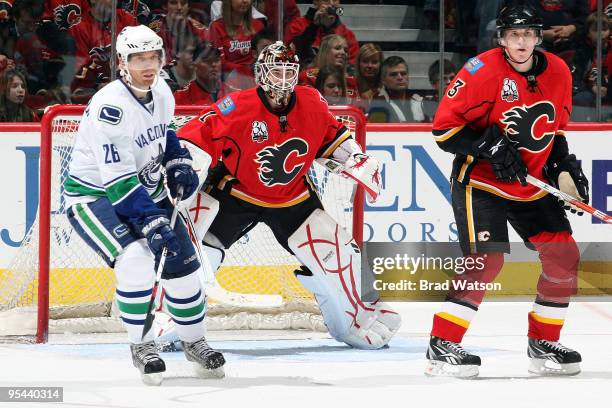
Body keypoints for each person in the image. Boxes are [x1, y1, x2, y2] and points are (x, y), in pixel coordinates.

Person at [177, 41, 401, 350]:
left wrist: (356, 160)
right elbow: (194, 135)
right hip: (236, 192)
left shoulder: (312, 102)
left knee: (339, 251)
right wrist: (183, 163)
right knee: (194, 250)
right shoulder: (238, 106)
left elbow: (332, 137)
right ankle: (175, 323)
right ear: (262, 73)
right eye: (277, 71)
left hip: (293, 197)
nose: (283, 79)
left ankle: (356, 319)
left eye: (289, 71)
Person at [425, 5, 588, 378]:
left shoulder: (559, 71)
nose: (521, 41)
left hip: (529, 185)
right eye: (514, 35)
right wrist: (490, 146)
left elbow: (555, 130)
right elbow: (445, 132)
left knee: (563, 255)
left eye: (528, 34)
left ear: (538, 37)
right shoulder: (480, 71)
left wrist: (562, 167)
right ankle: (442, 344)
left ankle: (543, 341)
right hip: (480, 182)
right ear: (501, 38)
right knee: (486, 261)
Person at [62, 25, 225, 385]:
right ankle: (141, 344)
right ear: (123, 62)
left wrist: (177, 161)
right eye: (139, 59)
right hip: (95, 197)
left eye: (153, 57)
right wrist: (151, 220)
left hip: (145, 192)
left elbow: (164, 133)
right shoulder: (111, 108)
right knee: (136, 258)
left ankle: (195, 342)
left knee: (184, 266)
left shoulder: (162, 90)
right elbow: (118, 180)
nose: (148, 65)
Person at [285, 0, 358, 67]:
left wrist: (329, 27)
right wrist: (313, 27)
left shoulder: (347, 35)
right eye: (326, 0)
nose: (331, 4)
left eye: (335, 0)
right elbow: (292, 53)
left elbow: (352, 67)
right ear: (315, 2)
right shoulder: (298, 25)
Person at [208, 0, 264, 85]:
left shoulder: (258, 25)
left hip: (255, 76)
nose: (245, 1)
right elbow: (219, 62)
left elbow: (263, 57)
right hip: (228, 78)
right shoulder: (216, 27)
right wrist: (243, 71)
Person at [299, 34, 359, 101]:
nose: (343, 52)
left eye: (345, 50)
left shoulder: (351, 81)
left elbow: (358, 109)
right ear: (325, 52)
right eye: (337, 48)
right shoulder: (307, 77)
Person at [368, 56, 426, 123]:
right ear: (383, 80)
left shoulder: (418, 99)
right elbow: (379, 132)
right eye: (393, 74)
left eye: (403, 74)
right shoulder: (378, 104)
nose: (400, 77)